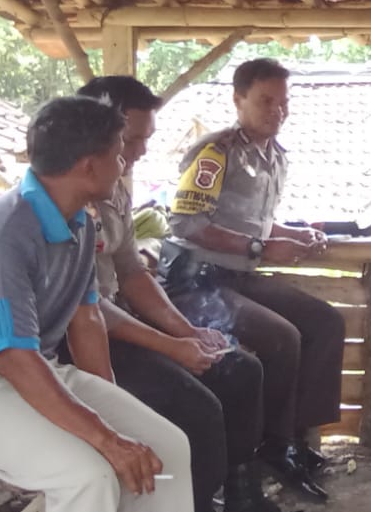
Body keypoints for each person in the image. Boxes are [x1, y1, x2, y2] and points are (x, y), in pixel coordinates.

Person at [0, 96, 192, 512]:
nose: (123, 166)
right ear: (89, 167)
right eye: (118, 155)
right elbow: (12, 357)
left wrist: (110, 417)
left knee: (166, 448)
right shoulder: (1, 237)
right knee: (88, 476)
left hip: (38, 369)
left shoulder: (80, 222)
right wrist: (105, 438)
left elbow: (86, 319)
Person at [76, 77, 277, 512]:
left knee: (239, 370)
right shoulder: (70, 202)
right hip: (80, 342)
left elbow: (133, 273)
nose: (140, 151)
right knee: (196, 410)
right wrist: (172, 346)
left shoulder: (115, 188)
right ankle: (196, 502)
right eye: (131, 139)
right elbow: (87, 310)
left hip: (120, 322)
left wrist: (187, 332)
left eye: (146, 138)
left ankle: (241, 495)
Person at [161, 58, 340, 502]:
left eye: (283, 102)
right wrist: (261, 248)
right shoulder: (215, 152)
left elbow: (255, 222)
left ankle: (293, 440)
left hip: (239, 276)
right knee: (281, 338)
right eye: (265, 101)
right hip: (198, 283)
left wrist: (292, 234)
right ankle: (269, 448)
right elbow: (186, 223)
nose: (277, 111)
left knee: (325, 322)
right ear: (238, 100)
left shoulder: (275, 156)